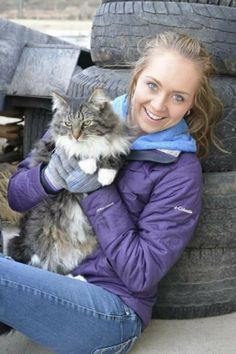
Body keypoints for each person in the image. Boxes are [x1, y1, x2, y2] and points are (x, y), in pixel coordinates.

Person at [0, 31, 222, 353]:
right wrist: (48, 179)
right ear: (136, 77)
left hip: (108, 307)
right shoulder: (83, 118)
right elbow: (16, 198)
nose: (159, 105)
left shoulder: (180, 172)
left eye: (178, 97)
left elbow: (141, 273)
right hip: (48, 271)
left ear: (192, 104)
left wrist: (94, 192)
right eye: (152, 85)